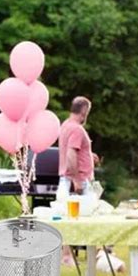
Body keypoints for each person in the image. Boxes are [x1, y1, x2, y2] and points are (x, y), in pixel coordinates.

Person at [58, 96, 100, 265]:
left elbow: (74, 150)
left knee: (68, 217)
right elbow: (71, 154)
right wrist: (77, 179)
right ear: (84, 112)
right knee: (90, 215)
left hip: (66, 178)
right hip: (78, 179)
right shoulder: (77, 129)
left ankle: (67, 254)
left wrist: (90, 156)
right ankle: (89, 254)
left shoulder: (65, 126)